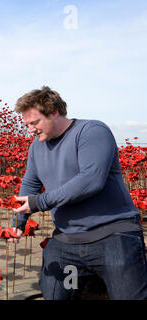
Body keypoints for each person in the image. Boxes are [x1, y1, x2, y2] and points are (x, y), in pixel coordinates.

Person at [11, 86, 147, 300]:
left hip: (112, 237)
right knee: (57, 294)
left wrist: (39, 202)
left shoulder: (91, 131)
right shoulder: (36, 148)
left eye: (35, 122)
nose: (30, 130)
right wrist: (18, 223)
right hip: (68, 244)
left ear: (54, 112)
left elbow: (90, 180)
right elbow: (30, 184)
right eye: (27, 124)